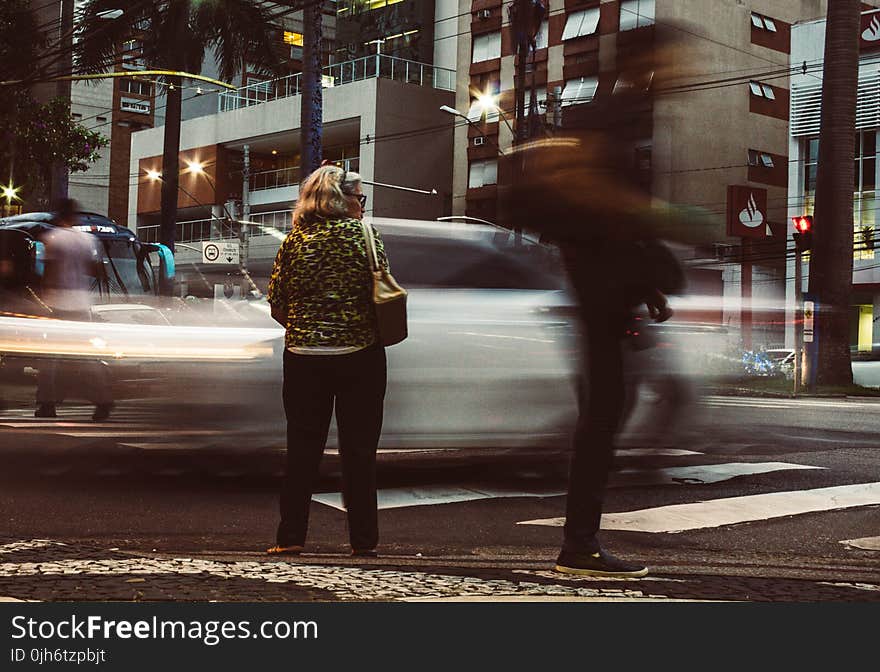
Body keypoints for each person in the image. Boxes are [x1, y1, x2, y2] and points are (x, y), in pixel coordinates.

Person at [501, 65, 686, 577]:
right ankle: (578, 544)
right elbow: (601, 217)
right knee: (600, 420)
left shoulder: (616, 122)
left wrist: (644, 285)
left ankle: (580, 541)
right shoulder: (610, 125)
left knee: (603, 418)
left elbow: (605, 227)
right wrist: (649, 234)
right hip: (599, 299)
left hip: (607, 297)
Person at [266, 165, 389, 558]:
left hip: (303, 359)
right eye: (359, 198)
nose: (362, 205)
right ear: (343, 199)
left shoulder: (294, 241)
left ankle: (290, 537)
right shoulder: (365, 236)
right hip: (361, 357)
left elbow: (277, 303)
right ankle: (363, 541)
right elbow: (383, 289)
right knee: (359, 450)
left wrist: (308, 328)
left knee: (302, 448)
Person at [34, 198, 114, 421]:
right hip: (81, 306)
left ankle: (47, 404)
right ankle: (103, 400)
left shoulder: (53, 239)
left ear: (59, 216)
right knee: (86, 357)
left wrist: (43, 299)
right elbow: (96, 272)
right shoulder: (88, 240)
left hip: (57, 305)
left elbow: (48, 274)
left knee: (48, 359)